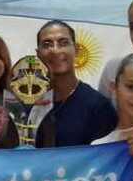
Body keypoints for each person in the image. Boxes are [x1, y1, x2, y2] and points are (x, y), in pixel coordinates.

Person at [31, 20, 116, 148]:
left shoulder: (98, 107)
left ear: (76, 50)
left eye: (63, 43)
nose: (55, 50)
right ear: (38, 54)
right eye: (47, 44)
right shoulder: (29, 103)